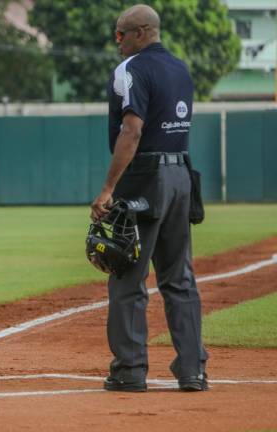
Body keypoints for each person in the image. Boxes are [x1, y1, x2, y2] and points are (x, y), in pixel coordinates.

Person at [90, 4, 208, 392]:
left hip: (145, 177)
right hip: (180, 176)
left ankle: (130, 370)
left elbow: (132, 131)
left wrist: (108, 189)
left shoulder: (131, 69)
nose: (116, 40)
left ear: (141, 32)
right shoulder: (180, 68)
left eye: (121, 34)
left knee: (127, 277)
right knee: (179, 279)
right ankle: (193, 370)